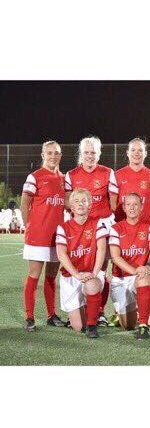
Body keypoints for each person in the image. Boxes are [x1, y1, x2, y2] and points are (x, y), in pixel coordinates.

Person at [65, 136, 116, 326]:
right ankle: (79, 308)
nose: (89, 156)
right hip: (79, 230)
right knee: (79, 267)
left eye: (93, 152)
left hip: (101, 227)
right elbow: (67, 203)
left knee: (101, 270)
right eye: (86, 152)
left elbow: (113, 204)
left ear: (99, 153)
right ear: (81, 153)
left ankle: (100, 311)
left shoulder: (108, 172)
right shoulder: (71, 175)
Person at [20, 140, 66, 331]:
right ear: (42, 155)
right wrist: (29, 226)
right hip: (38, 235)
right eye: (49, 153)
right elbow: (24, 205)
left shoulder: (64, 179)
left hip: (57, 236)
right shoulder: (35, 177)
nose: (53, 156)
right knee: (34, 275)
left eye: (56, 153)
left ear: (60, 156)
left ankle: (51, 314)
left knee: (51, 277)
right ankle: (30, 317)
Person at [55, 189, 108, 339]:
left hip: (92, 273)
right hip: (71, 276)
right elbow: (61, 254)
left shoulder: (98, 224)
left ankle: (92, 324)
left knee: (91, 285)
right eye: (76, 201)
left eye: (84, 201)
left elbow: (101, 250)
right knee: (78, 327)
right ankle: (88, 310)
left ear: (90, 205)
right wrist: (76, 274)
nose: (80, 204)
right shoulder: (63, 228)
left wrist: (95, 273)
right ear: (71, 206)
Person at [108, 193, 150, 339]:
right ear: (124, 208)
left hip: (143, 274)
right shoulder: (116, 228)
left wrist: (148, 267)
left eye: (136, 204)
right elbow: (115, 257)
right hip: (122, 278)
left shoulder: (149, 227)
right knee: (128, 325)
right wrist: (134, 271)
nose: (132, 207)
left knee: (144, 280)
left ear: (141, 207)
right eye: (129, 204)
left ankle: (143, 325)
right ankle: (138, 307)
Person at [109, 137, 150, 224]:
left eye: (140, 150)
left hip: (146, 227)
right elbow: (113, 205)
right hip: (123, 226)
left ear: (145, 153)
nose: (136, 153)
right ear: (127, 153)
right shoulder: (116, 175)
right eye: (133, 150)